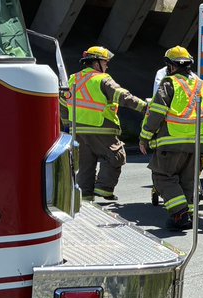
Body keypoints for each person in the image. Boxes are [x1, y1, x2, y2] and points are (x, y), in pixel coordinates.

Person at [140, 46, 203, 230]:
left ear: (170, 66)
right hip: (200, 142)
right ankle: (187, 215)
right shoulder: (202, 85)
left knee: (162, 177)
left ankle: (179, 214)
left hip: (173, 140)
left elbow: (156, 113)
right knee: (188, 180)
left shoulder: (169, 83)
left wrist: (145, 137)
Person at [61, 46, 148, 202]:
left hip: (78, 130)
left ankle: (86, 196)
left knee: (86, 164)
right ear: (96, 63)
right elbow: (123, 96)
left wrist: (68, 126)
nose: (107, 66)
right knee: (117, 155)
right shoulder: (102, 79)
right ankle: (104, 189)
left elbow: (62, 103)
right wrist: (144, 107)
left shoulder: (73, 78)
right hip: (101, 127)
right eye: (105, 62)